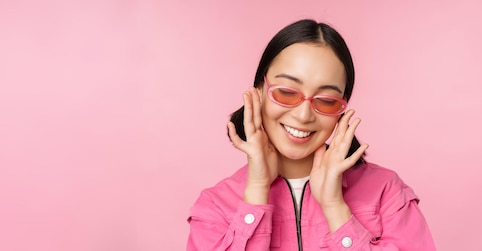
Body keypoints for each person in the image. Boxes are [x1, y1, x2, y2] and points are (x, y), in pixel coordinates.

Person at [186, 19, 435, 250]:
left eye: (326, 100)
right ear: (259, 91)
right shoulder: (214, 207)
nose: (304, 115)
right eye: (286, 92)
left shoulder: (387, 194)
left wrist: (335, 208)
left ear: (342, 109)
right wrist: (257, 191)